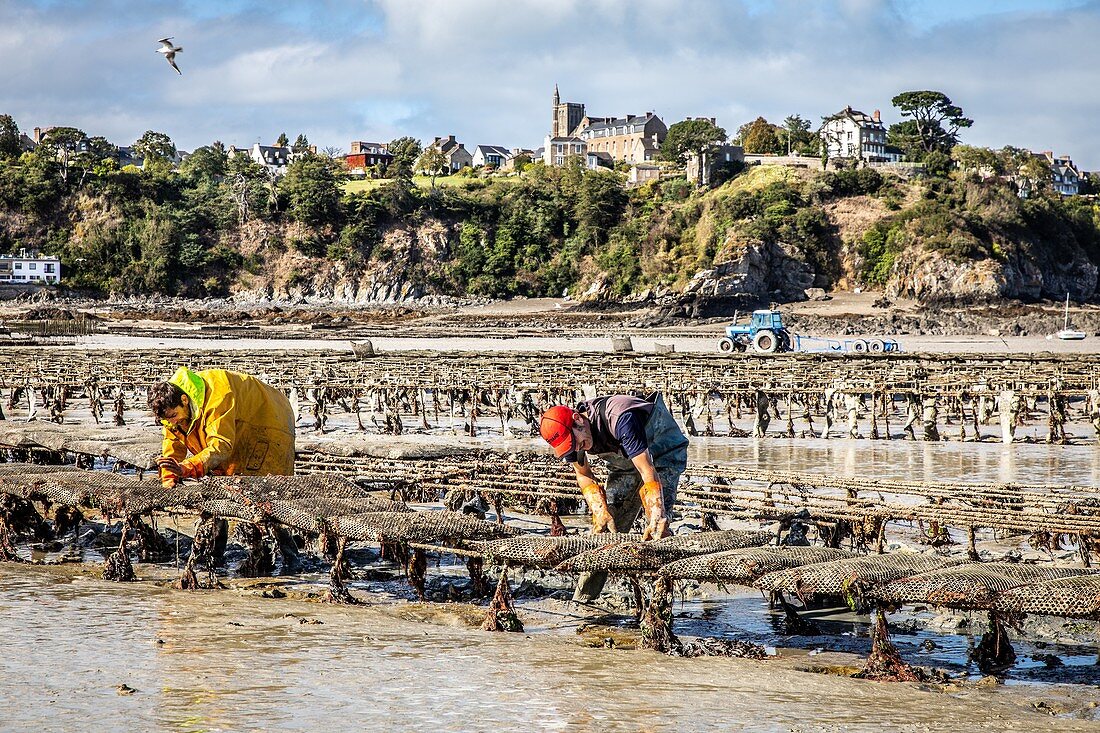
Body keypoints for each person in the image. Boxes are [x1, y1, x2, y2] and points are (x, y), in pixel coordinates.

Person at [539, 393, 688, 601]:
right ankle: (584, 600)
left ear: (578, 420)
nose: (578, 449)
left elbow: (647, 471)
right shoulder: (576, 438)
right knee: (606, 535)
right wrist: (599, 510)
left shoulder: (621, 418)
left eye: (577, 443)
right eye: (571, 448)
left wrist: (657, 513)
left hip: (662, 454)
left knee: (658, 530)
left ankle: (659, 605)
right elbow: (583, 474)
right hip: (625, 464)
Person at [149, 366, 296, 487]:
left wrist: (186, 468)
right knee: (230, 480)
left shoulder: (218, 396)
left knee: (265, 483)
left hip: (270, 419)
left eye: (174, 416)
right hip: (239, 424)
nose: (173, 423)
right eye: (168, 420)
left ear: (184, 400)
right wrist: (169, 478)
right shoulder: (170, 413)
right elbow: (172, 446)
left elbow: (221, 446)